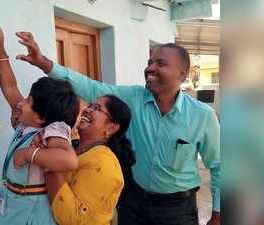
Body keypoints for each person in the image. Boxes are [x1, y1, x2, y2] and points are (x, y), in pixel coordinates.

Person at [15, 31, 221, 225]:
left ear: (183, 74)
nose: (150, 68)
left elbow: (219, 166)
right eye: (149, 62)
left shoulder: (202, 116)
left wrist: (219, 213)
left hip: (177, 209)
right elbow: (90, 87)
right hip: (133, 201)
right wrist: (44, 63)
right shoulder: (134, 97)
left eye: (161, 63)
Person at [0, 27, 80, 225]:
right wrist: (0, 50)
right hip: (14, 203)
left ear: (43, 117)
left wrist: (27, 154)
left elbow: (69, 160)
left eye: (29, 101)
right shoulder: (27, 122)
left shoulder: (53, 129)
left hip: (32, 211)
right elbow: (10, 88)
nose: (21, 103)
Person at [17, 94, 134, 225]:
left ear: (111, 127)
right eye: (89, 105)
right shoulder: (72, 145)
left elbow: (72, 218)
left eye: (97, 108)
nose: (87, 110)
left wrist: (49, 160)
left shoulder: (105, 164)